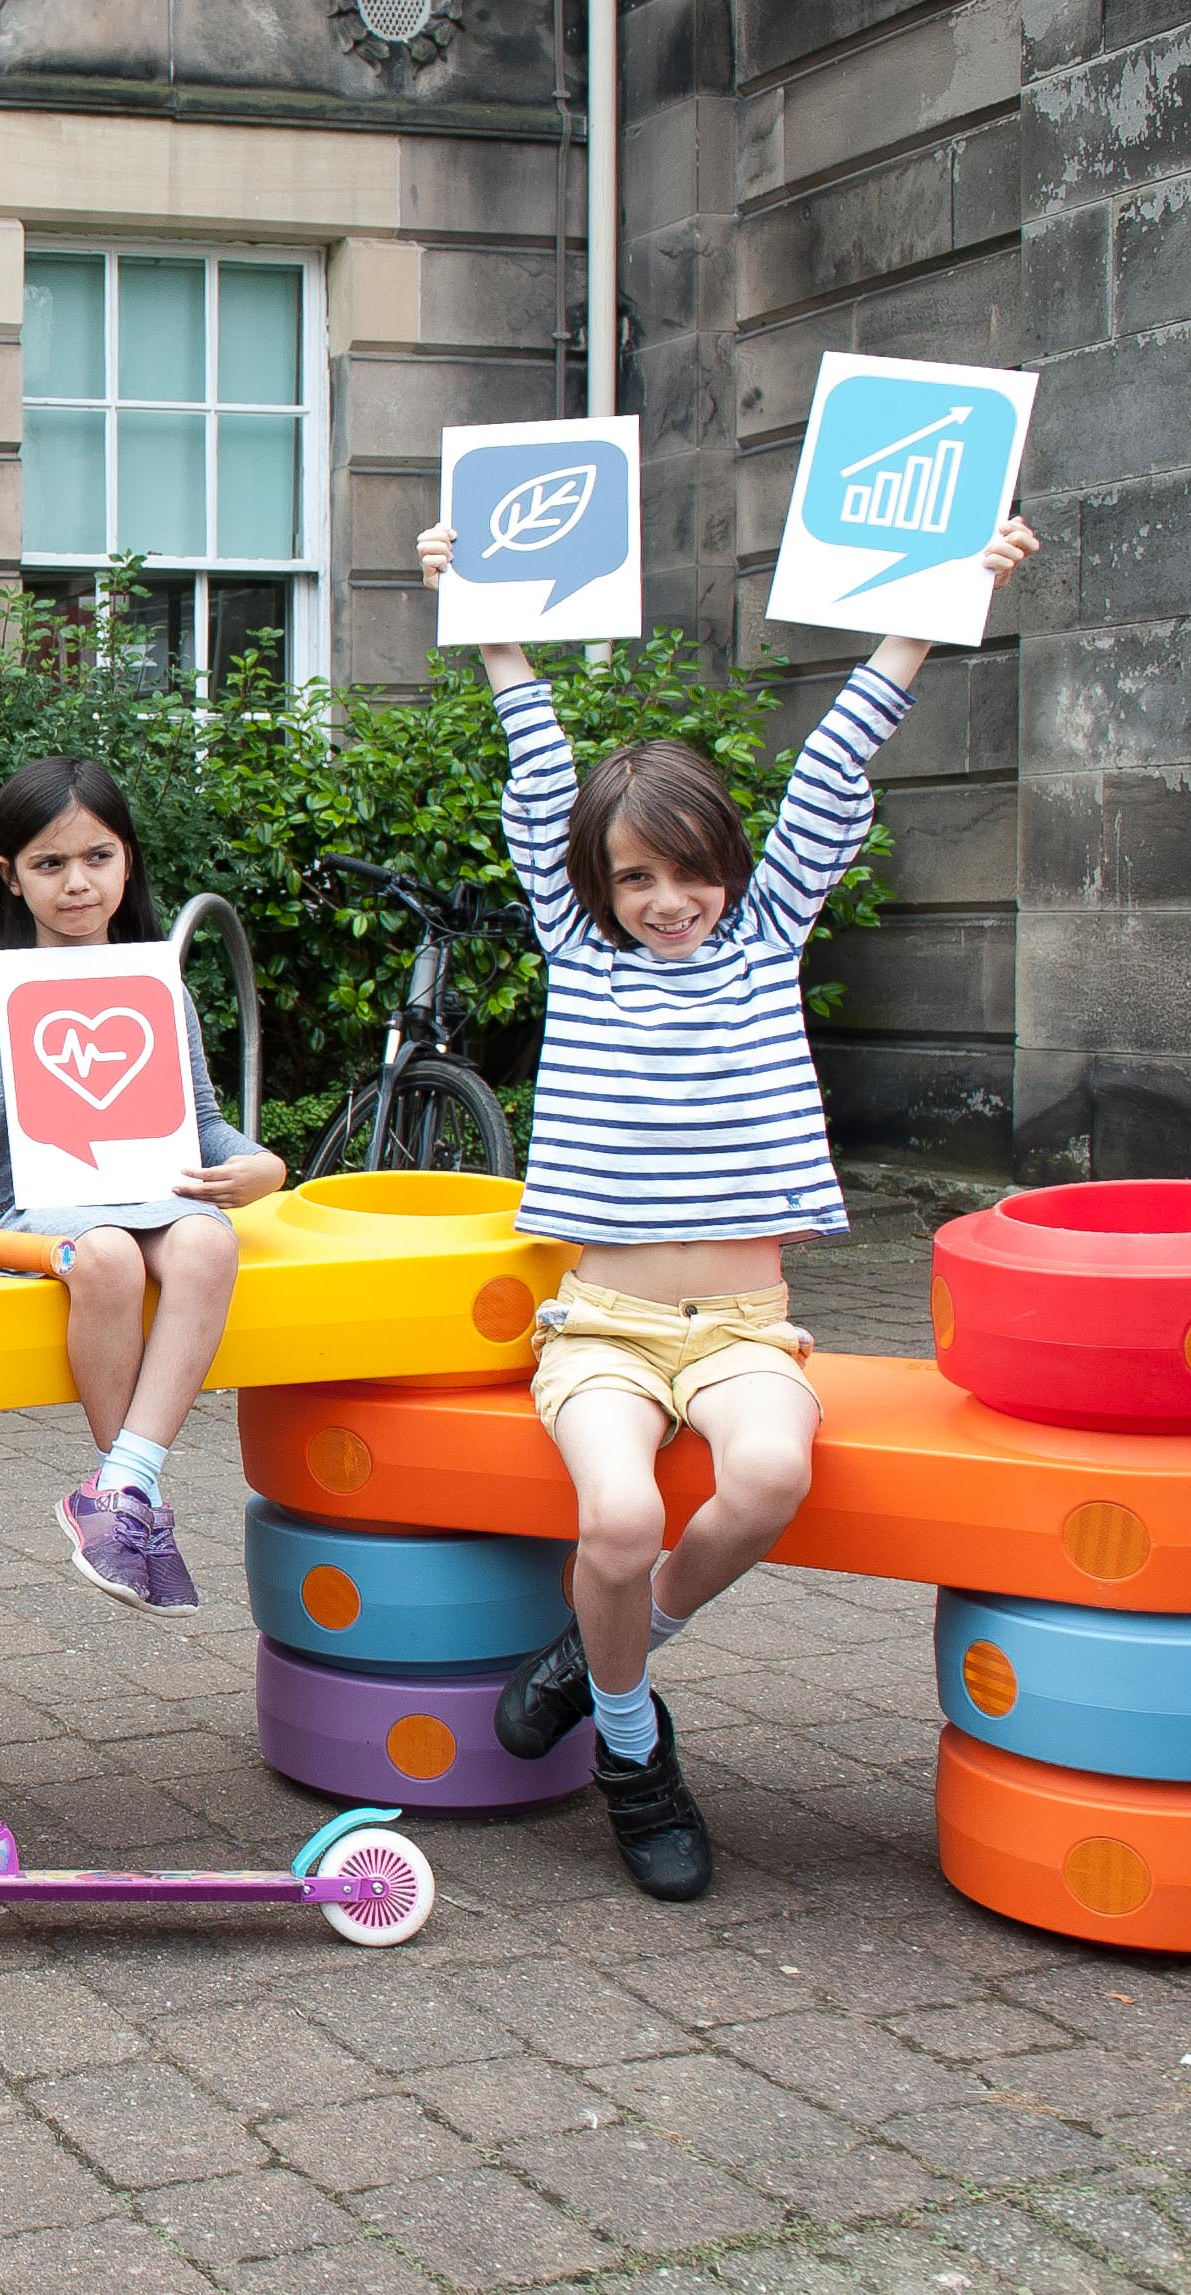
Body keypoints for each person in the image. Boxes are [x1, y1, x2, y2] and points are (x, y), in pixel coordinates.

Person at [420, 513, 1041, 1901]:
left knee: (765, 1476)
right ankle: (634, 1751)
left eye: (687, 869)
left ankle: (600, 1657)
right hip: (601, 1329)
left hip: (746, 1327)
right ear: (592, 886)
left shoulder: (764, 939)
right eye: (632, 876)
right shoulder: (580, 956)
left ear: (730, 866)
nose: (665, 900)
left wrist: (939, 600)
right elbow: (535, 773)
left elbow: (835, 760)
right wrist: (491, 623)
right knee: (619, 1519)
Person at [0, 756, 287, 1616]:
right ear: (10, 877)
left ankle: (121, 1490)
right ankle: (129, 1500)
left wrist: (260, 1164)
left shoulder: (155, 988)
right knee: (103, 1258)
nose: (76, 883)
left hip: (146, 1193)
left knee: (210, 1239)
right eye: (49, 863)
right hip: (24, 1209)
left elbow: (203, 1122)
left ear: (127, 861)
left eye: (97, 857)